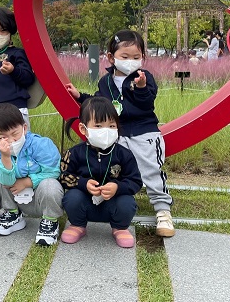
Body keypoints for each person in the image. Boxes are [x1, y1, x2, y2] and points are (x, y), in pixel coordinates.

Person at [65, 29, 175, 237]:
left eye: (136, 57)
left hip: (144, 131)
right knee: (114, 168)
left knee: (150, 168)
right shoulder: (105, 82)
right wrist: (80, 97)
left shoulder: (144, 77)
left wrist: (141, 87)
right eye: (124, 57)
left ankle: (162, 209)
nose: (130, 61)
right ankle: (112, 202)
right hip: (117, 132)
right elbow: (100, 103)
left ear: (143, 57)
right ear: (111, 57)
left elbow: (147, 103)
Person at [60, 97, 142, 247]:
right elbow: (63, 177)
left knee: (127, 202)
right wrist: (83, 183)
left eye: (111, 126)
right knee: (72, 197)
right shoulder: (74, 153)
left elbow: (135, 181)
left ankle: (120, 228)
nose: (106, 131)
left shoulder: (124, 154)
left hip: (113, 205)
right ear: (83, 129)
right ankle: (77, 225)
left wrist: (118, 187)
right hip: (85, 204)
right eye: (98, 126)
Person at [0, 103, 64, 246]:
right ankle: (13, 214)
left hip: (41, 198)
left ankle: (50, 221)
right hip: (17, 198)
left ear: (24, 128)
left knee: (50, 184)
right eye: (2, 137)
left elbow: (54, 171)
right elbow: (5, 181)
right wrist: (5, 157)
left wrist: (28, 182)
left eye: (15, 134)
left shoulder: (41, 145)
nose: (11, 140)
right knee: (0, 176)